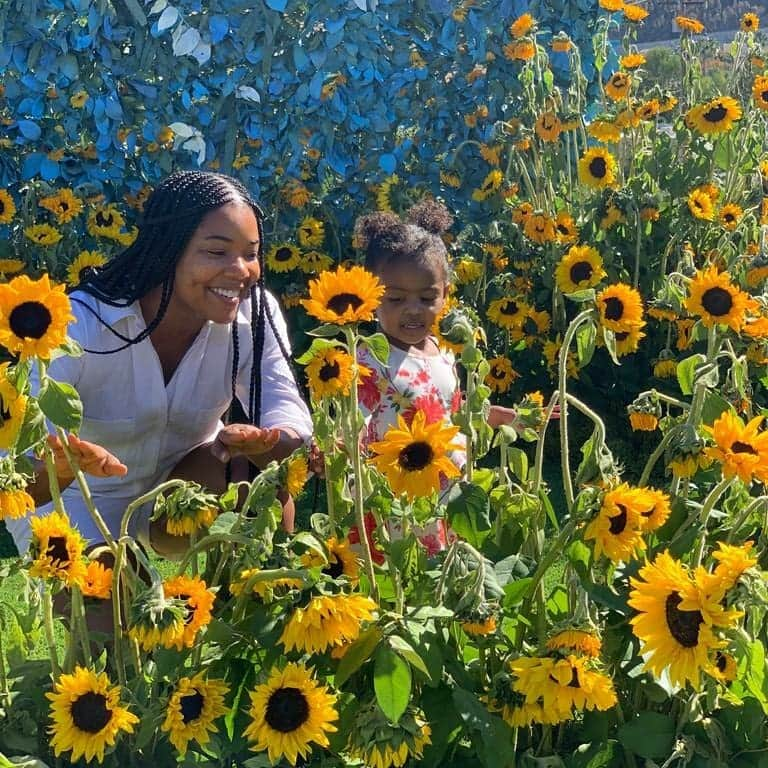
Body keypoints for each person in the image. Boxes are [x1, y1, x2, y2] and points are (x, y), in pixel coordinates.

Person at [7, 170, 312, 557]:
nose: (241, 270)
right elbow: (14, 479)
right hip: (76, 501)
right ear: (168, 249)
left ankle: (263, 598)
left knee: (261, 475)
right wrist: (66, 467)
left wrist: (270, 439)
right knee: (112, 609)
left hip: (181, 487)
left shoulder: (254, 314)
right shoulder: (77, 324)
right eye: (216, 252)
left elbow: (284, 405)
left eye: (250, 253)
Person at [349, 200, 518, 557]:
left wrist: (490, 415)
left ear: (444, 294)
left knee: (442, 580)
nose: (412, 309)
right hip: (393, 498)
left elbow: (448, 412)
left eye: (427, 297)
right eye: (395, 298)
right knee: (396, 576)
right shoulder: (368, 359)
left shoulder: (443, 350)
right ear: (372, 294)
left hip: (445, 488)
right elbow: (351, 421)